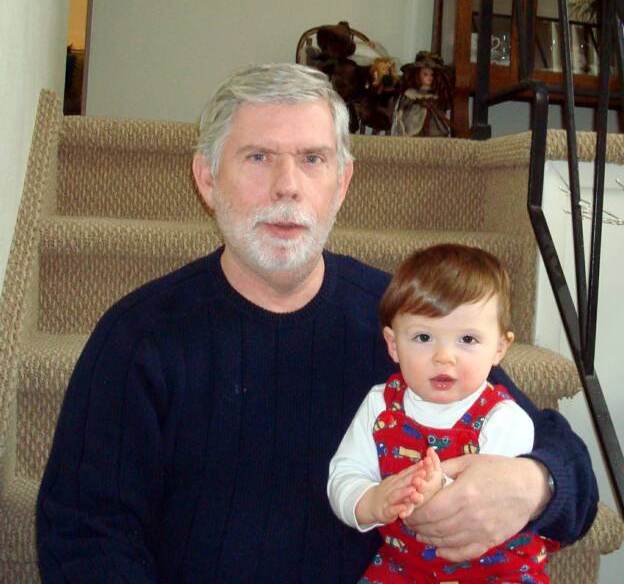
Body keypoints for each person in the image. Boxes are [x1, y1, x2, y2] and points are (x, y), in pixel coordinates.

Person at [36, 63, 596, 583]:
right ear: (206, 179)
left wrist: (534, 484)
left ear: (343, 181)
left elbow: (569, 470)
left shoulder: (407, 324)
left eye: (312, 159)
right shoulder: (139, 337)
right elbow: (85, 534)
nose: (288, 185)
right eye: (258, 157)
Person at [328, 244, 561, 583]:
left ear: (499, 348)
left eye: (467, 339)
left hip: (495, 571)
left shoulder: (505, 419)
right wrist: (371, 500)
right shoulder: (381, 406)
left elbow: (492, 499)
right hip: (405, 568)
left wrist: (440, 488)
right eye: (423, 337)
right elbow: (345, 473)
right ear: (393, 344)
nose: (444, 357)